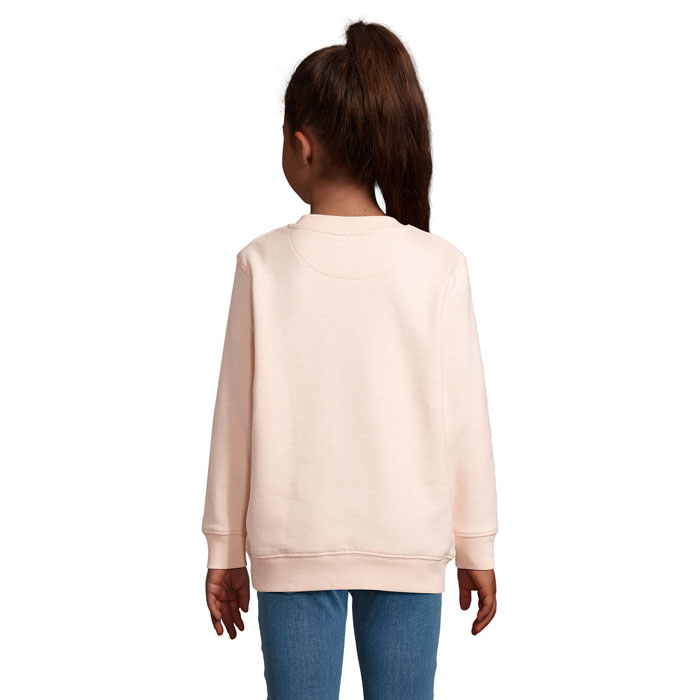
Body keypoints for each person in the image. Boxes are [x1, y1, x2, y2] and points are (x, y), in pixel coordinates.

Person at [201, 19, 498, 700]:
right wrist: (476, 544)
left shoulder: (260, 265)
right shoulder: (439, 266)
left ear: (300, 145)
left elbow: (233, 422)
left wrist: (224, 547)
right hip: (408, 542)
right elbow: (466, 421)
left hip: (292, 544)